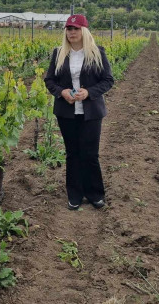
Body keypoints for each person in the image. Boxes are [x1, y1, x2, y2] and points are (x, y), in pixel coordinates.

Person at [44, 14, 114, 211]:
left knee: (90, 154)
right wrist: (62, 92)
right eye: (68, 29)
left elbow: (108, 80)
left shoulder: (97, 53)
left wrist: (89, 92)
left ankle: (95, 193)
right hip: (67, 112)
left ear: (84, 31)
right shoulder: (58, 53)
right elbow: (50, 81)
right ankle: (74, 194)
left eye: (75, 29)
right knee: (72, 154)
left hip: (91, 112)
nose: (71, 32)